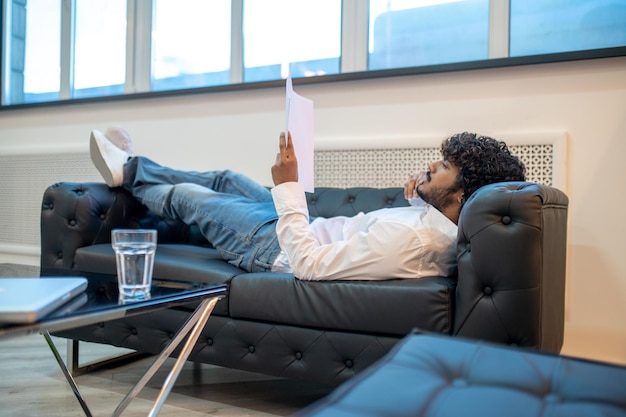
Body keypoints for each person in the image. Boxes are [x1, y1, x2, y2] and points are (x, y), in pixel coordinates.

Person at [90, 128, 525, 281]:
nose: (432, 164)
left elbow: (308, 265)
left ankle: (126, 174)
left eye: (445, 165)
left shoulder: (413, 240)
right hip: (308, 225)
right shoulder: (437, 226)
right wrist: (422, 194)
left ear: (465, 194)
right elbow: (398, 227)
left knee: (192, 197)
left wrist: (289, 187)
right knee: (227, 177)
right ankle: (132, 169)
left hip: (273, 248)